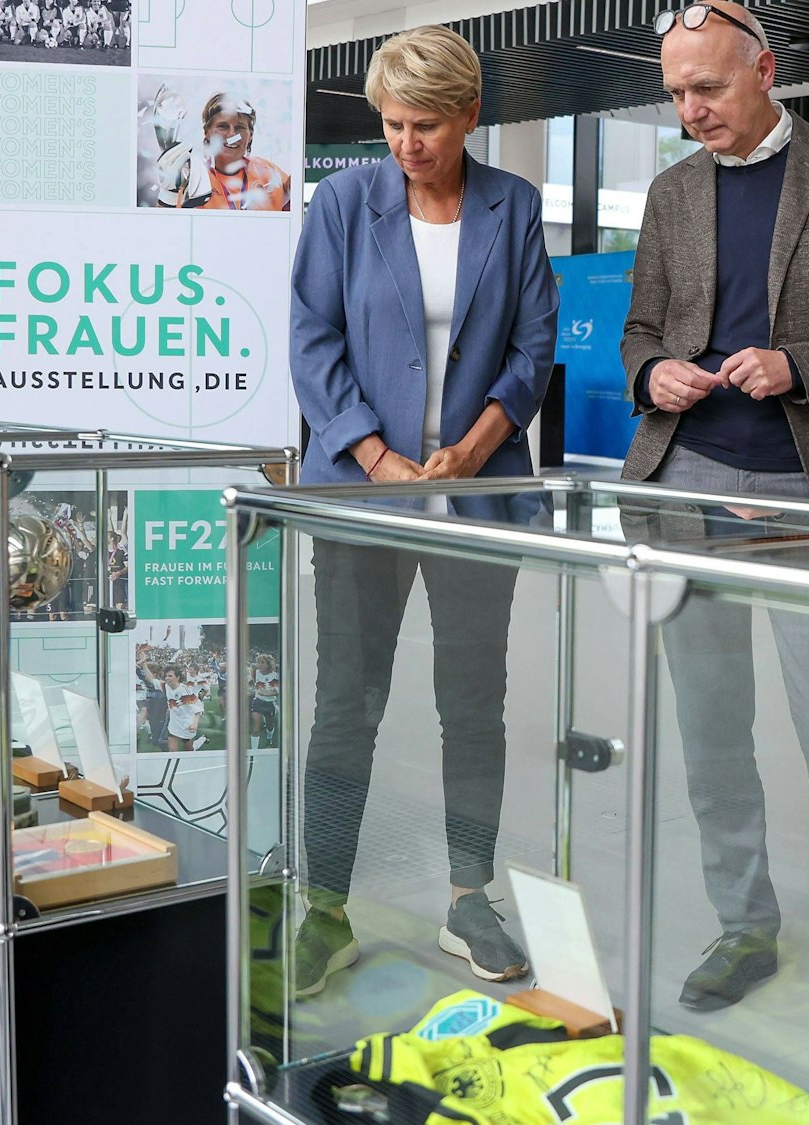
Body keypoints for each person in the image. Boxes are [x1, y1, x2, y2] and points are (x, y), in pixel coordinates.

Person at [618, 1, 809, 1051]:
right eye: (674, 93)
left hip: (804, 486)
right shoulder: (669, 191)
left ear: (764, 71)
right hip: (686, 480)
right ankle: (743, 924)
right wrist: (651, 371)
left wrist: (799, 365)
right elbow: (639, 331)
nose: (689, 109)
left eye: (705, 87)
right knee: (709, 727)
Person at [288, 24, 556, 995]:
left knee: (471, 701)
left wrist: (471, 450)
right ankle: (323, 909)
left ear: (469, 116)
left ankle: (467, 897)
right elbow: (313, 341)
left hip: (477, 493)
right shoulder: (342, 204)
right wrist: (375, 455)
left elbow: (532, 350)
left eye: (427, 127)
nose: (408, 145)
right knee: (346, 705)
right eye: (394, 125)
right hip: (363, 495)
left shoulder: (512, 207)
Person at [155, 92, 292, 211]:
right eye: (223, 126)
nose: (232, 135)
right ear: (207, 132)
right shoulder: (195, 176)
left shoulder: (268, 172)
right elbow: (165, 228)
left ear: (250, 135)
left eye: (239, 128)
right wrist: (168, 194)